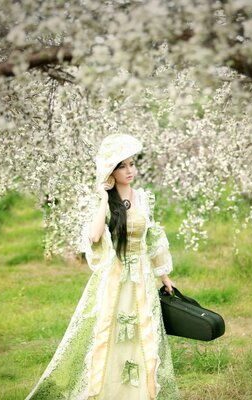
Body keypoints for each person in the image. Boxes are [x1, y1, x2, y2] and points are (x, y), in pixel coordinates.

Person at [26, 134, 180, 399]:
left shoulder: (144, 198)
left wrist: (164, 277)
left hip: (141, 279)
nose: (130, 170)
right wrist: (102, 199)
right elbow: (95, 237)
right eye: (123, 166)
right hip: (115, 280)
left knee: (144, 335)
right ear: (111, 171)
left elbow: (152, 239)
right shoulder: (105, 203)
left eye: (132, 164)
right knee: (110, 335)